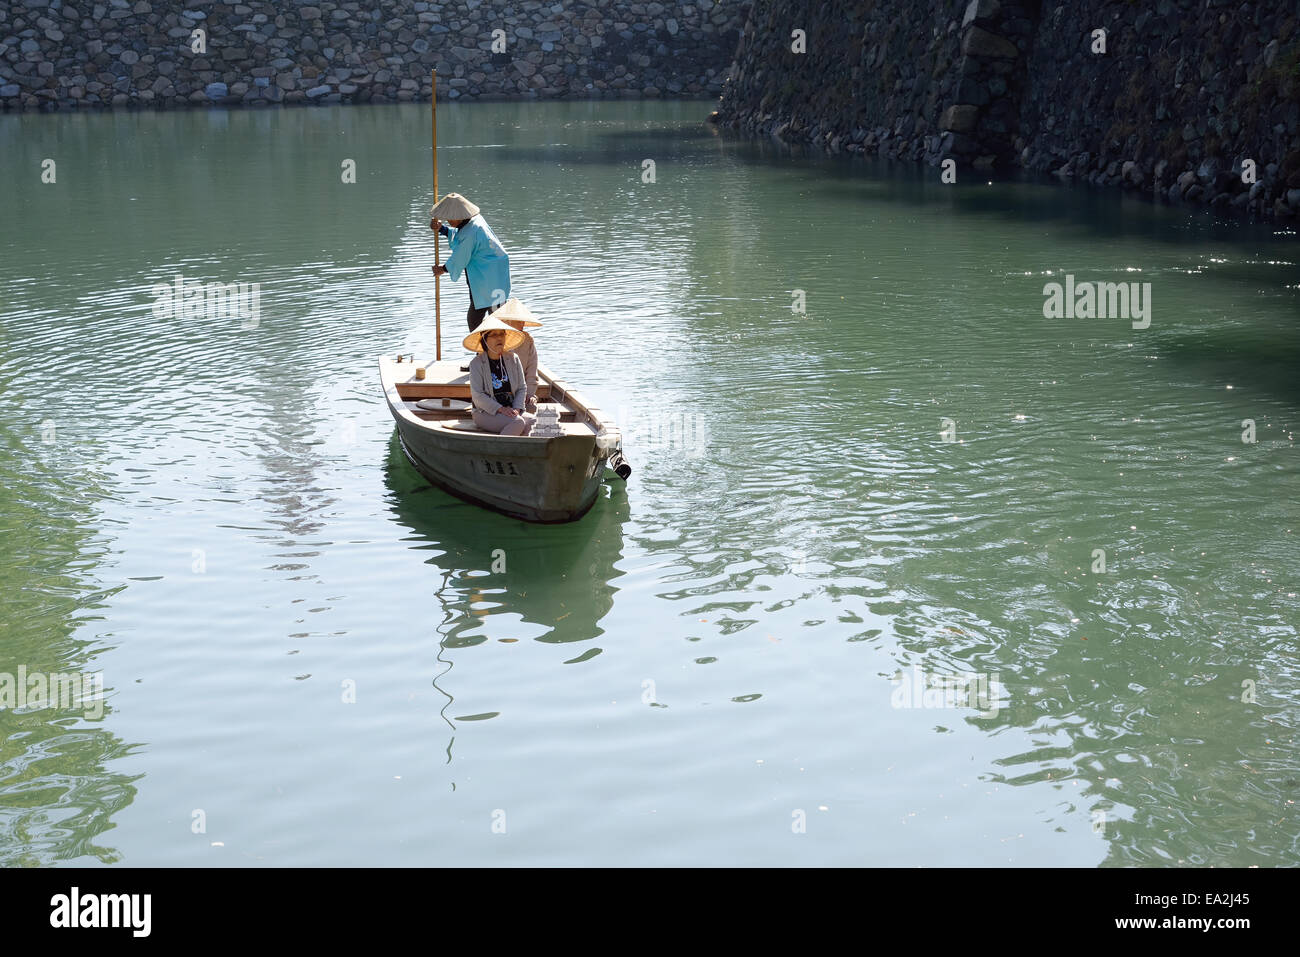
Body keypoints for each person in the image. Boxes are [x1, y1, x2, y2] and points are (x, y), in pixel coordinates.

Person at [430, 192, 511, 331]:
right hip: (488, 273)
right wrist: (442, 229)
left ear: (460, 217)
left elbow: (461, 254)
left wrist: (443, 269)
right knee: (484, 315)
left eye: (451, 218)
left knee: (489, 318)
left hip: (490, 275)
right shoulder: (473, 222)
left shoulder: (472, 231)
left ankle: (492, 349)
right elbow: (461, 237)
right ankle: (483, 351)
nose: (449, 221)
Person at [465, 316, 534, 436]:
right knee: (517, 422)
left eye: (502, 334)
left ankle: (522, 452)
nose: (499, 338)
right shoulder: (476, 364)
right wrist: (501, 409)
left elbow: (522, 388)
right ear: (485, 340)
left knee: (535, 422)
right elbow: (478, 396)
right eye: (494, 335)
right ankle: (499, 451)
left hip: (512, 410)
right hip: (486, 413)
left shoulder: (513, 359)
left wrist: (517, 408)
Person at [491, 298, 543, 412]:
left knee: (532, 407)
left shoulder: (528, 340)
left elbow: (532, 370)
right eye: (519, 321)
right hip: (498, 393)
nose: (523, 324)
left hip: (521, 391)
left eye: (523, 321)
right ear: (508, 321)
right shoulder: (494, 341)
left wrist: (530, 394)